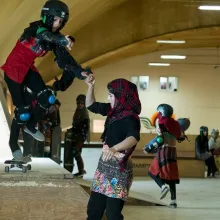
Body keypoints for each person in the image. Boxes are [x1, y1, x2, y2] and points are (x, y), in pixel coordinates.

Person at [1, 0, 89, 162]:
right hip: (13, 71)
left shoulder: (54, 40)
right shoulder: (35, 28)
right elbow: (43, 34)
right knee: (23, 111)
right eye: (56, 19)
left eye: (61, 21)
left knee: (48, 98)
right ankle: (14, 147)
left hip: (28, 70)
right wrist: (62, 40)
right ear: (47, 17)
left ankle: (30, 126)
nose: (58, 24)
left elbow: (66, 60)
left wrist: (81, 73)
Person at [85, 75, 141, 220]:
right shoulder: (112, 111)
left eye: (111, 95)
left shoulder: (130, 118)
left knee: (113, 214)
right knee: (94, 210)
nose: (108, 98)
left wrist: (114, 148)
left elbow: (133, 137)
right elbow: (90, 105)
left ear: (121, 97)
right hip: (103, 169)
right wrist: (91, 87)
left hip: (119, 171)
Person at [145, 104, 184, 209]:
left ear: (162, 112)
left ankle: (163, 187)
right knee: (171, 176)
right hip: (172, 150)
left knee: (152, 171)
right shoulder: (175, 123)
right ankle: (173, 201)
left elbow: (160, 139)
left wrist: (150, 147)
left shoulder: (161, 122)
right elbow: (180, 137)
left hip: (163, 150)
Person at [64, 94, 90, 177]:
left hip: (81, 135)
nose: (80, 105)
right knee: (75, 151)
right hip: (76, 134)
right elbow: (75, 124)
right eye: (78, 103)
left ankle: (81, 170)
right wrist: (72, 129)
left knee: (76, 151)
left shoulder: (84, 113)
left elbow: (84, 126)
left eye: (81, 103)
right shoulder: (77, 111)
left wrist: (82, 136)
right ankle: (80, 171)